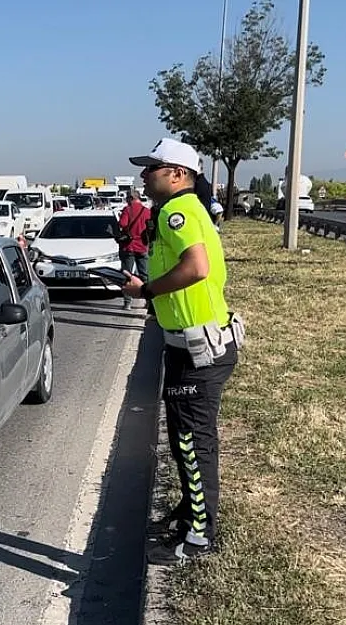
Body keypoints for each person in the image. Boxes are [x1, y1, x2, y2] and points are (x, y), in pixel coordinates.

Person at [121, 137, 243, 566]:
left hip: (198, 348)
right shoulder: (183, 211)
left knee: (192, 442)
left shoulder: (177, 211)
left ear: (178, 174)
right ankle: (191, 512)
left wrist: (147, 289)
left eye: (151, 168)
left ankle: (199, 535)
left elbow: (197, 267)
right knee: (184, 440)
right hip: (191, 344)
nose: (143, 175)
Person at [117, 189, 150, 310]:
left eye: (127, 198)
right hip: (142, 246)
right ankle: (148, 301)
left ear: (131, 198)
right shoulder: (146, 211)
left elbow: (123, 224)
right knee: (145, 275)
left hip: (129, 246)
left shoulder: (127, 210)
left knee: (127, 274)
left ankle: (127, 302)